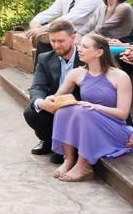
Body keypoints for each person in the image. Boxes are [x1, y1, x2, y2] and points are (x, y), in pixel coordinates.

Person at [39, 33, 133, 182]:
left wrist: (95, 107)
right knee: (65, 109)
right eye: (80, 45)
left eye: (85, 46)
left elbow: (122, 114)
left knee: (85, 111)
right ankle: (69, 159)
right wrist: (49, 99)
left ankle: (84, 165)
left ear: (99, 52)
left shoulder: (120, 76)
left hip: (115, 128)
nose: (79, 49)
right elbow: (57, 97)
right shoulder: (77, 73)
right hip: (90, 122)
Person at [23, 19, 82, 165]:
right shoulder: (45, 58)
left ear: (73, 37)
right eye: (53, 41)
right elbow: (37, 87)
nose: (56, 45)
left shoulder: (86, 56)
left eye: (61, 41)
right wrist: (42, 103)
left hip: (79, 107)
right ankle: (49, 141)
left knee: (56, 160)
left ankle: (69, 147)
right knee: (31, 112)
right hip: (55, 104)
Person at [24, 0, 101, 57]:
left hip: (85, 36)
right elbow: (50, 12)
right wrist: (35, 23)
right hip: (67, 33)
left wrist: (44, 28)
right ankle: (41, 70)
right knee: (44, 43)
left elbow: (70, 18)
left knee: (51, 40)